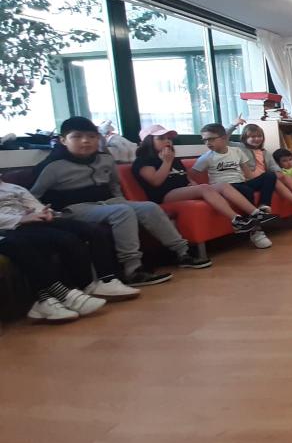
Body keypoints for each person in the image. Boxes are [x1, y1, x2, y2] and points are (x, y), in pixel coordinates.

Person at [31, 117, 210, 285]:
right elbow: (34, 195)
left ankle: (183, 253)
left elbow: (114, 184)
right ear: (63, 140)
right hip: (74, 208)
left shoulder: (105, 159)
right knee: (122, 212)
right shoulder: (52, 166)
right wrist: (47, 213)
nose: (85, 141)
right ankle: (132, 269)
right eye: (77, 137)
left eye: (91, 137)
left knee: (149, 207)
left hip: (109, 201)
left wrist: (120, 199)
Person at [0, 175, 138, 320]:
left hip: (33, 222)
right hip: (12, 227)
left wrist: (44, 213)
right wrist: (21, 219)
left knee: (93, 230)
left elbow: (34, 204)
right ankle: (70, 292)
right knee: (62, 239)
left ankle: (106, 280)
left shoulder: (15, 188)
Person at [133, 124, 263, 234]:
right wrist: (167, 162)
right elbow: (155, 182)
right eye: (161, 138)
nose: (167, 141)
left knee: (222, 185)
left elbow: (186, 176)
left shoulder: (173, 158)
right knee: (205, 188)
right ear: (148, 141)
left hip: (183, 190)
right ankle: (237, 220)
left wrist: (192, 184)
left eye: (169, 138)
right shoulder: (144, 160)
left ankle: (256, 213)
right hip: (164, 195)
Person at [193, 123, 278, 249]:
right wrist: (197, 186)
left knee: (269, 176)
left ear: (223, 138)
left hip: (241, 182)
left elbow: (248, 174)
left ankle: (263, 206)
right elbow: (192, 175)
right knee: (246, 190)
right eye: (204, 140)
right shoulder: (206, 158)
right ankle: (256, 231)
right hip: (225, 188)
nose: (207, 143)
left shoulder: (237, 151)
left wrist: (256, 182)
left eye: (211, 139)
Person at [236, 124, 292, 215]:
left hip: (264, 180)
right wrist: (234, 125)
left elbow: (274, 166)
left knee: (281, 177)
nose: (257, 139)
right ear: (244, 138)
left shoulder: (265, 152)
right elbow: (227, 139)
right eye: (253, 137)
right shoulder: (240, 148)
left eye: (259, 136)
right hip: (251, 181)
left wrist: (279, 173)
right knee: (271, 176)